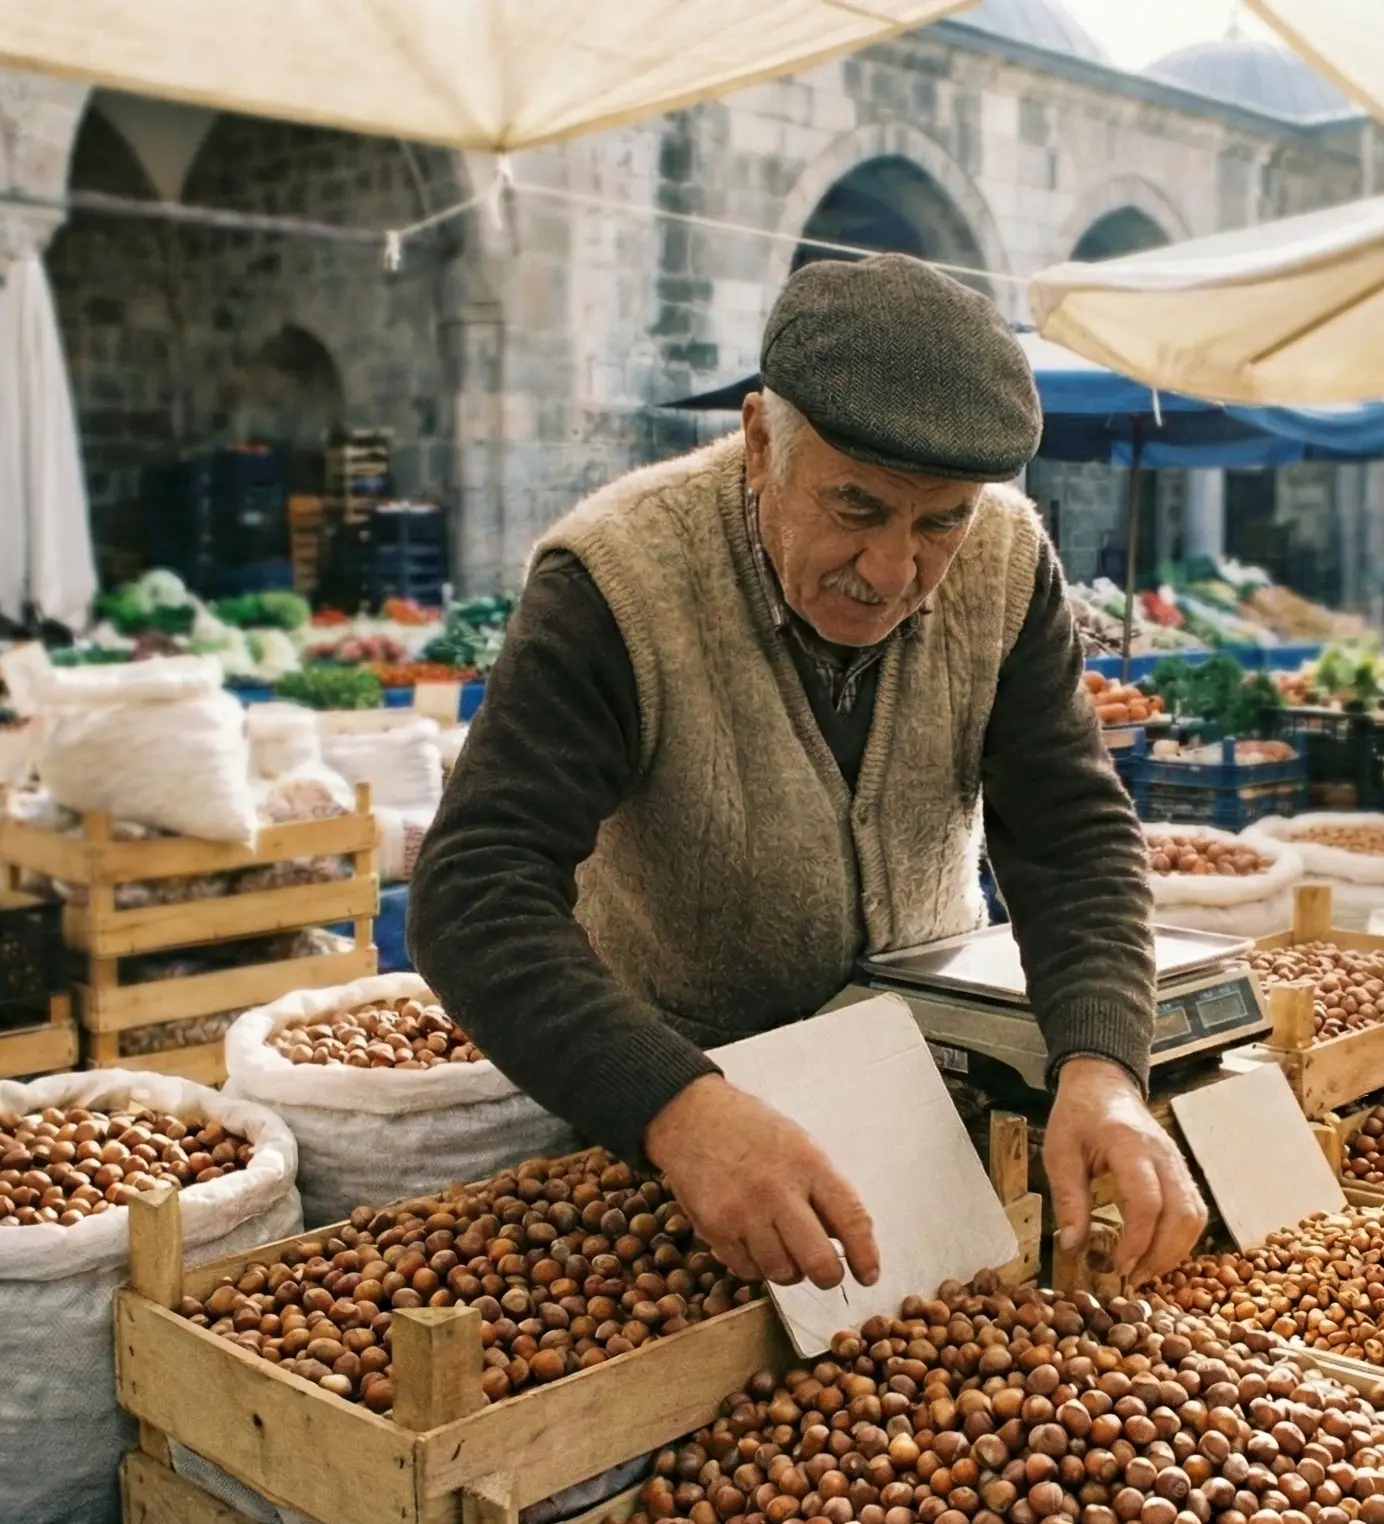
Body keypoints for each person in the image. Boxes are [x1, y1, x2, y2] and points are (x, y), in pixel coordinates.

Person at [408, 254, 1207, 1294]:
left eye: (939, 522)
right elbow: (475, 891)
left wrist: (1102, 1064)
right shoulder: (615, 579)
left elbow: (1070, 835)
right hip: (673, 1118)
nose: (891, 573)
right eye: (856, 508)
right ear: (756, 445)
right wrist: (676, 1109)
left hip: (924, 1092)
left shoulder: (1009, 563)